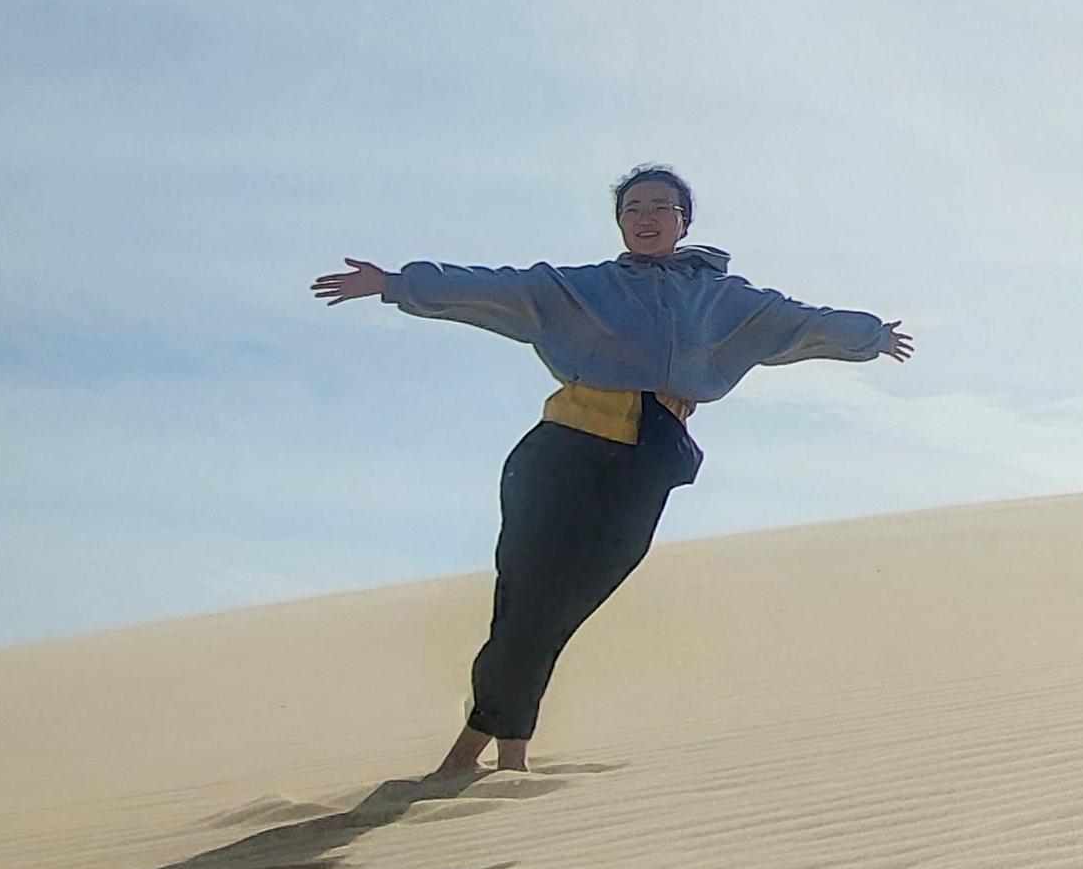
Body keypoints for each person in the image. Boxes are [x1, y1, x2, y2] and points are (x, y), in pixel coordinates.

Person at [313, 165, 911, 776]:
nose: (646, 218)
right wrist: (393, 283)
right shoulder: (582, 288)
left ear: (684, 221)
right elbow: (496, 289)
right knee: (525, 605)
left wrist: (870, 336)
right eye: (633, 208)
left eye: (661, 207)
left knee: (562, 606)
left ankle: (494, 736)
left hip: (646, 462)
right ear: (620, 221)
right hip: (560, 449)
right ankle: (486, 756)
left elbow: (801, 322)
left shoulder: (727, 301)